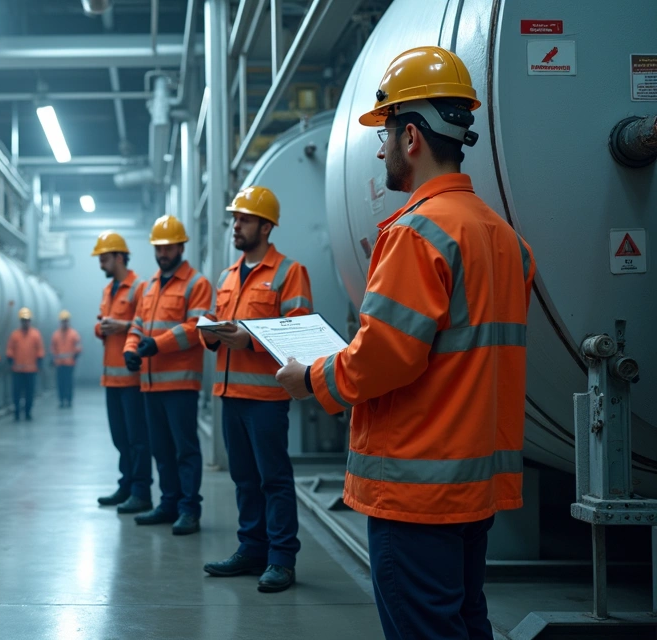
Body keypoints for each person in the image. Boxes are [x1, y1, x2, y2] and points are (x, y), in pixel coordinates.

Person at [275, 46, 535, 640]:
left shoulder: (418, 234)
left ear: (411, 137)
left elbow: (384, 356)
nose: (380, 150)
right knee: (465, 620)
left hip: (416, 489)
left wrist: (310, 379)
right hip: (473, 485)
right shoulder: (503, 239)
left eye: (385, 134)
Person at [200, 186, 312, 593]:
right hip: (229, 395)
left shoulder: (289, 272)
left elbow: (299, 332)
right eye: (235, 219)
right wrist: (210, 333)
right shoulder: (227, 276)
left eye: (244, 219)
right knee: (244, 479)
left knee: (273, 479)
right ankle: (251, 549)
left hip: (266, 398)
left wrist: (251, 340)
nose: (236, 226)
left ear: (266, 227)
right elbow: (220, 326)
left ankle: (281, 559)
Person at [123, 215, 212, 536]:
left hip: (180, 382)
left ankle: (189, 509)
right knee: (160, 449)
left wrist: (157, 345)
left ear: (181, 247)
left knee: (184, 449)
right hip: (150, 384)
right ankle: (169, 503)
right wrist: (130, 350)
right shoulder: (149, 286)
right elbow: (137, 324)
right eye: (158, 248)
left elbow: (196, 327)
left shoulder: (196, 284)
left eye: (169, 247)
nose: (163, 253)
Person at [92, 232, 153, 514]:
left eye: (104, 258)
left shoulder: (139, 287)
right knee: (120, 438)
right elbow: (100, 324)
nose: (100, 264)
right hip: (111, 378)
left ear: (119, 257)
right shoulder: (108, 290)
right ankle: (126, 485)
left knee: (137, 439)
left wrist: (123, 326)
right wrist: (103, 327)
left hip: (132, 378)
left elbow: (145, 326)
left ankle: (141, 492)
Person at [6, 308, 44, 421]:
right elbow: (10, 349)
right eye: (23, 320)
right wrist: (10, 358)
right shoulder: (15, 335)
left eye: (27, 320)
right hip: (17, 370)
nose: (25, 322)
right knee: (16, 393)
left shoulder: (35, 335)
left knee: (29, 393)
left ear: (30, 321)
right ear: (20, 321)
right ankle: (17, 413)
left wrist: (39, 361)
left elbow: (40, 349)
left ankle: (28, 412)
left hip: (31, 370)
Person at [51, 311, 83, 408]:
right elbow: (53, 348)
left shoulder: (74, 334)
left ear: (68, 321)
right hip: (59, 364)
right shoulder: (56, 335)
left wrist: (76, 354)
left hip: (70, 364)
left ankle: (69, 400)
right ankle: (61, 400)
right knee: (60, 383)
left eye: (66, 321)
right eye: (63, 321)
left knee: (69, 383)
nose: (64, 323)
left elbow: (78, 346)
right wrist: (53, 358)